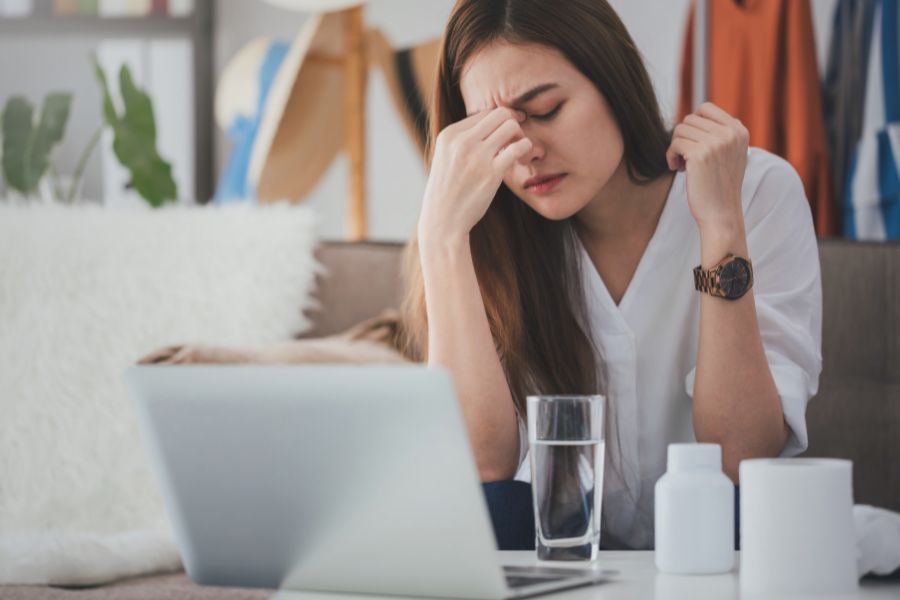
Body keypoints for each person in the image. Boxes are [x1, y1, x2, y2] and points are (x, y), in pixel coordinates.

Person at [400, 0, 822, 550]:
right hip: (557, 558)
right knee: (486, 509)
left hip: (717, 547)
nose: (524, 154)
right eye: (495, 133)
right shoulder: (481, 231)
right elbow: (479, 473)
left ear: (614, 79)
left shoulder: (755, 192)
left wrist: (720, 227)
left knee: (749, 506)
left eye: (546, 109)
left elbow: (742, 457)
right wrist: (442, 238)